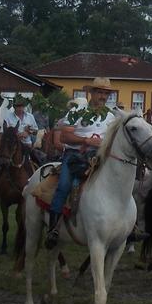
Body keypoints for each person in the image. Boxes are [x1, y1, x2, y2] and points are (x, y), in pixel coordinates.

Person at [46, 77, 115, 248]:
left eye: (106, 93)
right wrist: (86, 141)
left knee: (122, 182)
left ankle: (129, 226)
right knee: (64, 186)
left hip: (101, 157)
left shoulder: (111, 116)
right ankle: (53, 229)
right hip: (75, 155)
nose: (103, 96)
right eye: (99, 92)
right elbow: (64, 136)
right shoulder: (77, 111)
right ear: (91, 93)